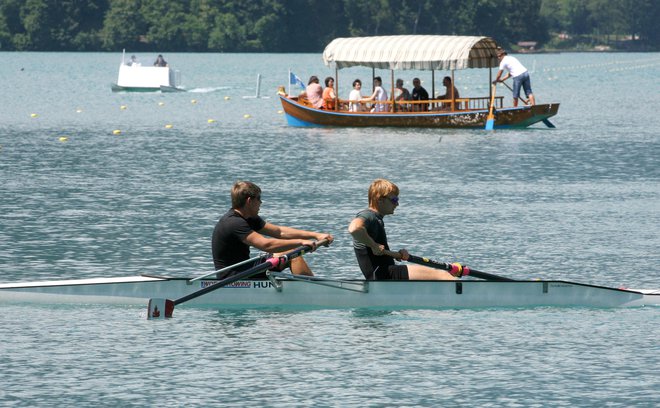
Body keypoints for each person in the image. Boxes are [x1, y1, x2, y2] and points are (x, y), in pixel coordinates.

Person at [212, 181, 334, 280]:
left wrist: (316, 235)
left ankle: (307, 288)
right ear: (249, 201)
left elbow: (279, 232)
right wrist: (301, 242)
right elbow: (267, 245)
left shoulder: (249, 218)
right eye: (258, 198)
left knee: (290, 252)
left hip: (245, 268)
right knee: (293, 255)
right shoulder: (234, 223)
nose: (261, 202)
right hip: (233, 277)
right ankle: (311, 292)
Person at [348, 179, 457, 281]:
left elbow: (378, 253)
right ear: (380, 200)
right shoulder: (368, 216)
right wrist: (374, 245)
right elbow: (354, 229)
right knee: (443, 275)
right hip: (383, 274)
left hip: (383, 273)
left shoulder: (376, 219)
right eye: (394, 200)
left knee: (442, 275)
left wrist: (397, 254)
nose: (397, 204)